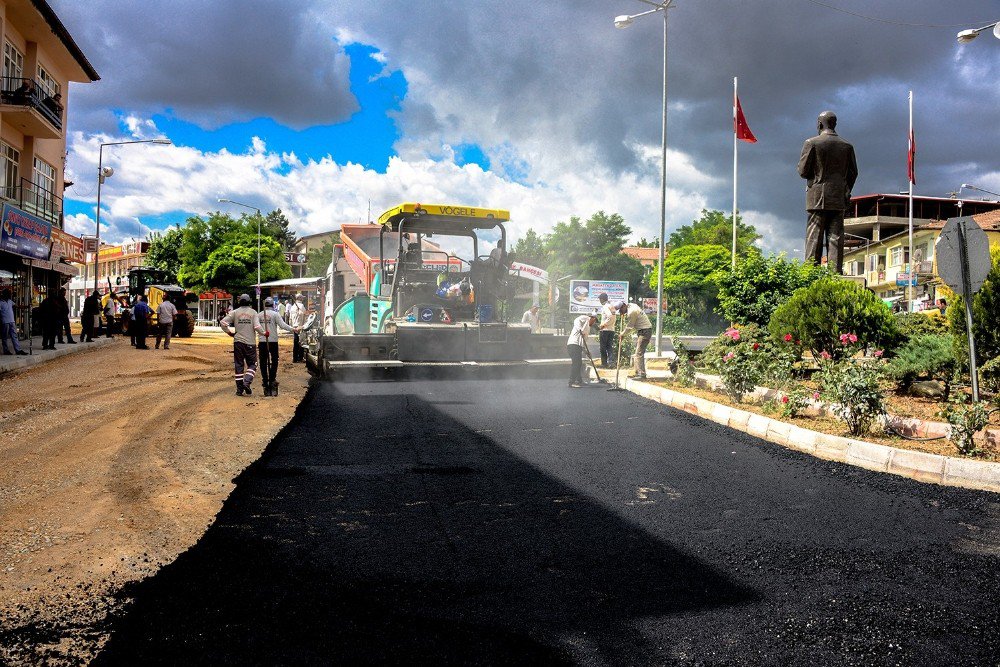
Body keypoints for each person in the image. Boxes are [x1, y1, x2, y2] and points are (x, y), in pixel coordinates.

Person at [797, 110, 859, 275]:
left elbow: (803, 171)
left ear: (819, 123)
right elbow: (853, 173)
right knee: (835, 237)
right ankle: (834, 275)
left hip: (817, 196)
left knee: (814, 236)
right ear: (834, 124)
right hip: (838, 197)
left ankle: (810, 273)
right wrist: (846, 190)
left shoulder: (812, 143)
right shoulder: (847, 146)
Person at [220, 293, 265, 396]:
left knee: (239, 365)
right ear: (249, 302)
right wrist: (264, 333)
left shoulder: (235, 312)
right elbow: (257, 327)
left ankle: (239, 390)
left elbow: (223, 323)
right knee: (253, 364)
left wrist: (229, 332)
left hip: (238, 342)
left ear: (239, 302)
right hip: (250, 343)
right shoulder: (253, 312)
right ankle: (247, 382)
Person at [257, 297, 296, 397]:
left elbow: (255, 327)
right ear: (272, 305)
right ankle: (272, 378)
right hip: (273, 341)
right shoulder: (275, 314)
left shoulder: (259, 315)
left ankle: (265, 380)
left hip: (262, 341)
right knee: (274, 360)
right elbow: (283, 325)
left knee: (263, 361)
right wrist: (293, 329)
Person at [617, 301, 653, 380]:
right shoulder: (632, 305)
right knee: (638, 353)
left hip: (645, 331)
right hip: (643, 331)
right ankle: (638, 373)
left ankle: (641, 374)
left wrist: (622, 334)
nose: (620, 312)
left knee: (638, 353)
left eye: (620, 310)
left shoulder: (631, 312)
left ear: (624, 306)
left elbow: (630, 326)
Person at [566, 312, 598, 388]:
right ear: (592, 318)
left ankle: (579, 380)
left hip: (578, 346)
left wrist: (587, 352)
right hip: (573, 345)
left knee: (578, 363)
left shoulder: (588, 328)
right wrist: (580, 328)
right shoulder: (585, 319)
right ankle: (571, 382)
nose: (594, 323)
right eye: (594, 321)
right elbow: (577, 320)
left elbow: (583, 342)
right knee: (577, 363)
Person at [0, 289, 26, 355]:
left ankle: (18, 350)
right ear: (5, 294)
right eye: (9, 294)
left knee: (14, 336)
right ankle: (6, 351)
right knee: (4, 337)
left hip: (12, 321)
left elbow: (17, 306)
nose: (10, 295)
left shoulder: (10, 301)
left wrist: (26, 306)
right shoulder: (0, 302)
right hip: (4, 322)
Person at [597, 293, 617, 368]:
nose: (599, 301)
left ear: (602, 299)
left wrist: (604, 325)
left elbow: (610, 316)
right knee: (609, 347)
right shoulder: (611, 306)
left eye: (599, 299)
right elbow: (613, 318)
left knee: (603, 347)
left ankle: (604, 363)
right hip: (611, 330)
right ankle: (611, 362)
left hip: (605, 330)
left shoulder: (605, 307)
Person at [287, 294, 307, 362]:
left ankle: (295, 358)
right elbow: (304, 315)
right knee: (301, 343)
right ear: (300, 298)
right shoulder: (301, 306)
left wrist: (291, 327)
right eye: (302, 298)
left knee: (295, 342)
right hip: (300, 326)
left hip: (294, 326)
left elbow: (290, 318)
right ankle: (300, 358)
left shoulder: (292, 307)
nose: (303, 299)